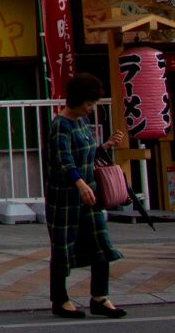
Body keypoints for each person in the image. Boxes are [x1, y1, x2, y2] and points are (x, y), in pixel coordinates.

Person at [46, 72, 125, 319]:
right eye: (89, 103)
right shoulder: (61, 124)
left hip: (89, 194)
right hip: (66, 197)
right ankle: (60, 300)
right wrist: (80, 184)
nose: (91, 108)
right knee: (63, 247)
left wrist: (106, 146)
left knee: (101, 244)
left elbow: (86, 153)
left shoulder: (81, 122)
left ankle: (100, 297)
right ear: (78, 99)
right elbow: (64, 160)